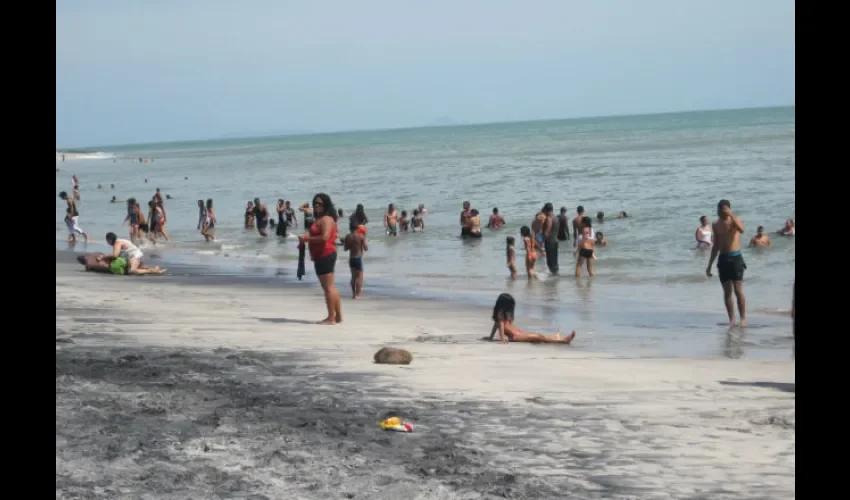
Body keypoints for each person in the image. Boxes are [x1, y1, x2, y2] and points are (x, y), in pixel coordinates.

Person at [299, 193, 343, 325]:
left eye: (319, 204)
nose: (316, 206)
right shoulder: (320, 219)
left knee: (328, 287)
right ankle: (338, 316)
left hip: (326, 254)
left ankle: (331, 318)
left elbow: (325, 237)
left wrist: (307, 238)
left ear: (325, 205)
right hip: (321, 255)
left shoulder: (326, 219)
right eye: (314, 204)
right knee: (329, 287)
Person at [706, 199, 747, 327]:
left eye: (722, 209)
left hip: (735, 258)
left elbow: (742, 230)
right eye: (718, 209)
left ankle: (743, 319)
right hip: (723, 259)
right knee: (727, 292)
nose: (719, 211)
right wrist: (709, 265)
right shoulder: (715, 224)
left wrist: (731, 214)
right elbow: (716, 245)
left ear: (728, 209)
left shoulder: (735, 220)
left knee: (738, 290)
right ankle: (732, 319)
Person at [487, 293, 576, 344]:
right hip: (515, 336)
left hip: (518, 333)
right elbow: (500, 326)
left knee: (538, 336)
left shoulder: (502, 314)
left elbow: (495, 326)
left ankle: (555, 337)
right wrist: (502, 340)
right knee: (538, 337)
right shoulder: (500, 316)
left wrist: (491, 337)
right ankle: (563, 341)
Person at [343, 224, 368, 298]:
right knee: (360, 276)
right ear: (357, 229)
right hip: (358, 258)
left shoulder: (348, 236)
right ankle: (358, 294)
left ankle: (353, 294)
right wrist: (364, 239)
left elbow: (345, 249)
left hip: (351, 258)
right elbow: (366, 248)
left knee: (353, 277)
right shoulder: (361, 236)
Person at [542, 203, 559, 275]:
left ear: (546, 210)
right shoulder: (556, 218)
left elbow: (547, 232)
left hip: (550, 242)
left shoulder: (549, 218)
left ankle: (553, 277)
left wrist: (543, 241)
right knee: (554, 261)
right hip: (555, 240)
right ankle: (555, 275)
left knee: (550, 262)